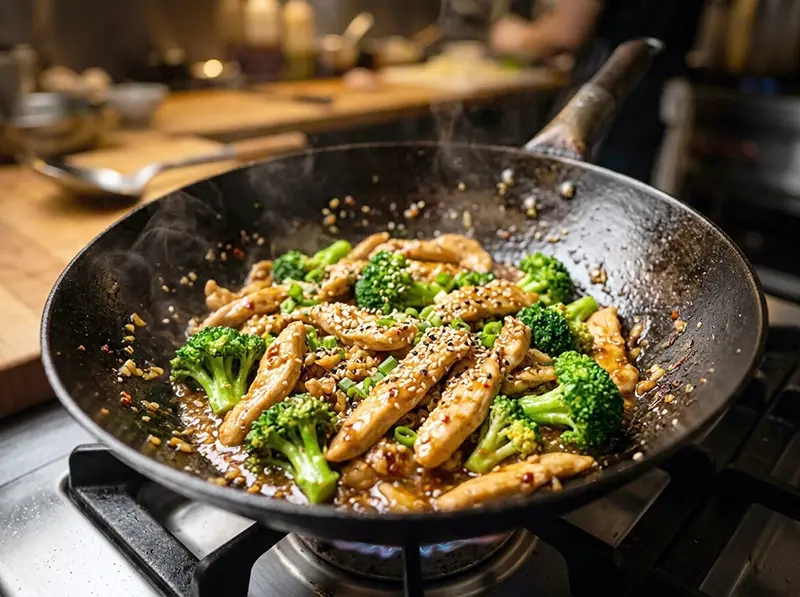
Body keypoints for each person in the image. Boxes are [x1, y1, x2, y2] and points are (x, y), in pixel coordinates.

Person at [489, 0, 704, 183]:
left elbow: (566, 33)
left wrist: (512, 35)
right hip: (667, 90)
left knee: (591, 203)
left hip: (618, 102)